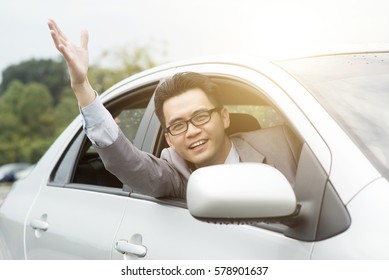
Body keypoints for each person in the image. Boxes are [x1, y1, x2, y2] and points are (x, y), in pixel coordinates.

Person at [48, 19, 302, 199]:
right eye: (178, 125)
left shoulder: (283, 143)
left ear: (224, 117)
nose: (192, 131)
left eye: (201, 116)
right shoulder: (176, 173)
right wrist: (82, 86)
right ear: (168, 138)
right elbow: (129, 164)